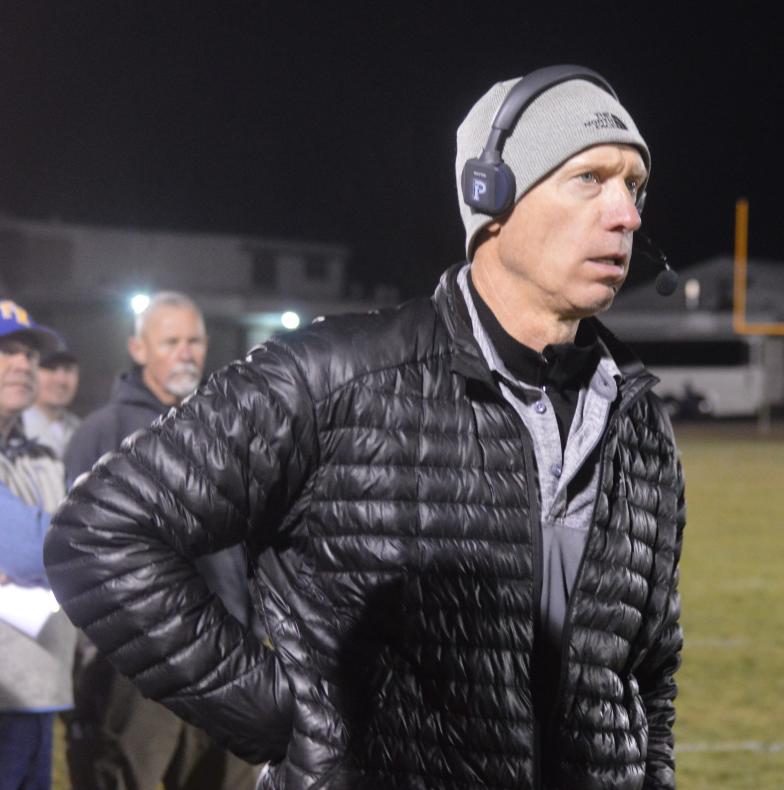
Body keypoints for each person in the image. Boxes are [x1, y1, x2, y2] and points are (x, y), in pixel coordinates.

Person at [45, 67, 686, 790]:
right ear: (491, 195)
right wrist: (278, 720)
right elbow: (101, 531)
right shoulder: (336, 376)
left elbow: (649, 668)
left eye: (633, 186)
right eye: (590, 179)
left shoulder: (638, 423)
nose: (626, 214)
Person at [61, 291, 260, 790]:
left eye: (193, 340)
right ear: (139, 348)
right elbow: (86, 552)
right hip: (145, 659)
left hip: (231, 650)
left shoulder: (224, 424)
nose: (185, 352)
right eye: (170, 341)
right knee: (133, 774)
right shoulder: (102, 432)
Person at [0, 298, 74, 790]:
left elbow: (56, 550)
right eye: (6, 350)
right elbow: (37, 552)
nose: (24, 363)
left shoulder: (38, 454)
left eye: (29, 353)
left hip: (37, 683)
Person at [22, 349, 81, 459]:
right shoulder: (12, 428)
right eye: (50, 368)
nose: (61, 380)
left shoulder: (82, 429)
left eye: (68, 370)